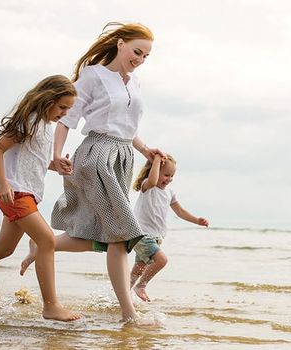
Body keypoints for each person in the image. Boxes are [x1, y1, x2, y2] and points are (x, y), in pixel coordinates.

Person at [20, 22, 161, 323]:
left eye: (146, 56)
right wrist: (56, 155)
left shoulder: (134, 83)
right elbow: (67, 119)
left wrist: (146, 150)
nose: (140, 60)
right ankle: (128, 312)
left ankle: (45, 244)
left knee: (111, 236)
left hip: (123, 157)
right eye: (137, 52)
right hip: (96, 155)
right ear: (120, 44)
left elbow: (128, 128)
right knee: (121, 236)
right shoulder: (93, 75)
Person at [0, 75, 79, 322]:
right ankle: (51, 306)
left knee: (4, 248)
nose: (64, 113)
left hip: (26, 194)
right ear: (47, 100)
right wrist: (3, 183)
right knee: (47, 240)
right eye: (62, 107)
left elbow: (33, 160)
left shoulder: (44, 127)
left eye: (68, 109)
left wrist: (57, 165)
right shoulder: (29, 122)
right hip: (15, 192)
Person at [130, 154, 209, 302]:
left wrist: (197, 221)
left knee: (138, 268)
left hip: (155, 238)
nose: (169, 179)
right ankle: (141, 286)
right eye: (166, 175)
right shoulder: (148, 185)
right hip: (141, 235)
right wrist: (158, 160)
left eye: (172, 176)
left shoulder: (169, 193)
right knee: (162, 260)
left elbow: (180, 212)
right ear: (154, 170)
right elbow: (153, 181)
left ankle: (119, 295)